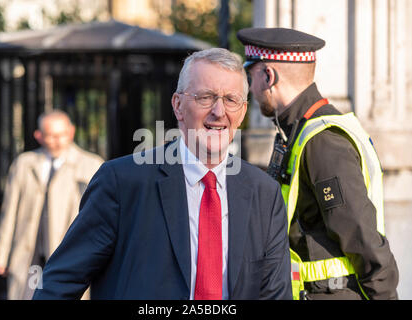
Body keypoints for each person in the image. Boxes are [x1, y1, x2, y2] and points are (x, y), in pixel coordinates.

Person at [32, 48, 292, 300]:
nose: (219, 111)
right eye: (205, 97)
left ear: (243, 112)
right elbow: (60, 282)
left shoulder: (264, 195)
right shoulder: (121, 183)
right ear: (178, 106)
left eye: (231, 100)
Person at [237, 27, 399, 300]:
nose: (250, 89)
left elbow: (361, 235)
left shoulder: (322, 140)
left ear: (268, 75)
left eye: (250, 77)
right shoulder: (298, 131)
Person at [0, 110, 104, 300]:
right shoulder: (24, 164)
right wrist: (1, 256)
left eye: (62, 135)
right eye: (51, 136)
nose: (57, 140)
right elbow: (9, 211)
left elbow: (100, 218)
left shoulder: (91, 164)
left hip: (69, 254)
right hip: (28, 254)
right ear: (39, 136)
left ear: (71, 132)